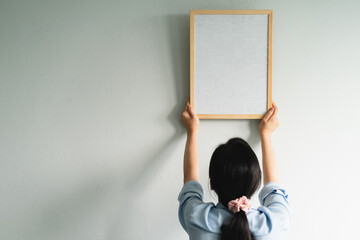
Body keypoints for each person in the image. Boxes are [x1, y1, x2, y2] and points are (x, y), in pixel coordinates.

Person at [178, 99, 290, 240]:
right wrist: (266, 134)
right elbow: (272, 185)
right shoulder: (274, 224)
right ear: (256, 183)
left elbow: (190, 180)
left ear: (211, 183)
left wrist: (192, 131)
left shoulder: (196, 217)